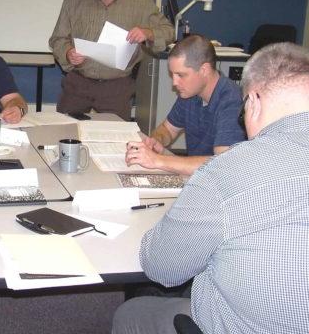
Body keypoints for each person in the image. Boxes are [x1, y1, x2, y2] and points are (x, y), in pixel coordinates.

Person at [112, 42, 309, 333]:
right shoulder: (191, 97)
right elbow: (167, 129)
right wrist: (156, 143)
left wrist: (160, 162)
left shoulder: (229, 168)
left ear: (252, 103)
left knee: (132, 312)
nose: (175, 83)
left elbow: (160, 267)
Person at [49, 0, 174, 121]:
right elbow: (58, 38)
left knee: (116, 138)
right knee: (64, 134)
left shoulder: (140, 2)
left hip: (117, 86)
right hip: (78, 82)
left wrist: (149, 33)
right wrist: (68, 53)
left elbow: (169, 31)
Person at [125, 35, 246, 176]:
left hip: (217, 185)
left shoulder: (232, 101)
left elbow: (222, 164)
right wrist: (156, 140)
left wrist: (158, 160)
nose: (174, 83)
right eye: (172, 75)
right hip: (196, 177)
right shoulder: (190, 93)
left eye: (181, 75)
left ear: (204, 70)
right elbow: (168, 129)